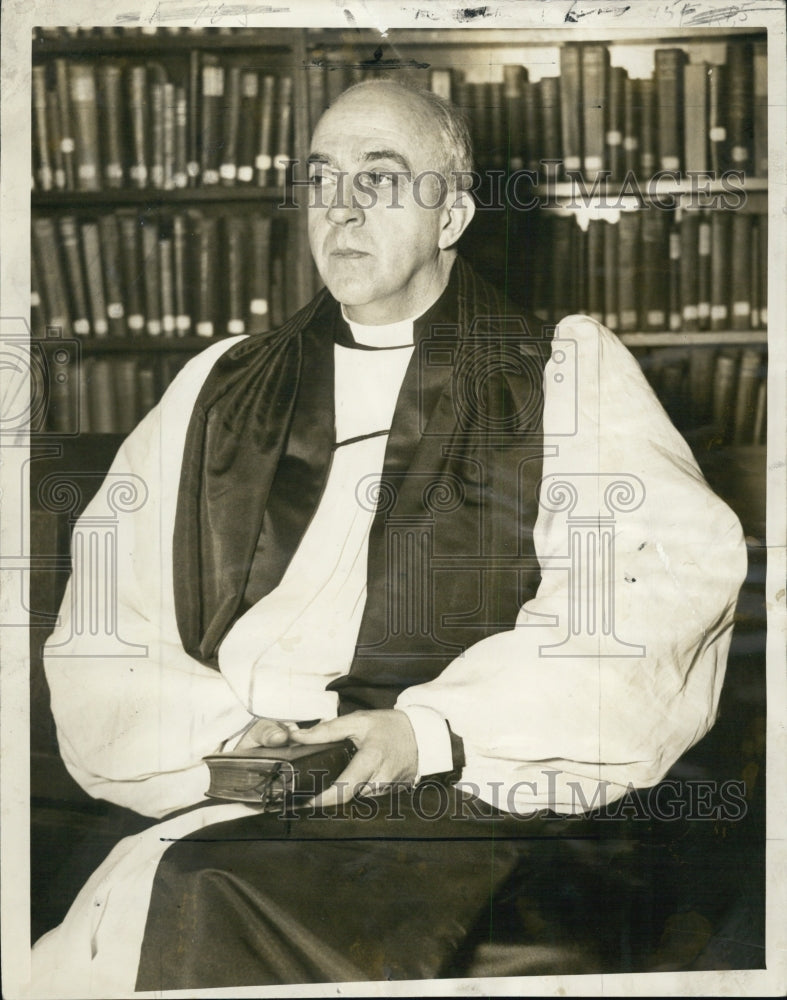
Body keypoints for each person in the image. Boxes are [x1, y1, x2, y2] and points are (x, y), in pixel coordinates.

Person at [32, 80, 746, 993]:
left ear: (452, 213)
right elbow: (105, 609)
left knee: (195, 890)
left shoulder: (559, 374)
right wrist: (227, 733)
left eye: (382, 177)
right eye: (322, 177)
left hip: (469, 776)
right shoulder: (223, 385)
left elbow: (654, 597)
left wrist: (427, 732)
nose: (342, 207)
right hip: (231, 772)